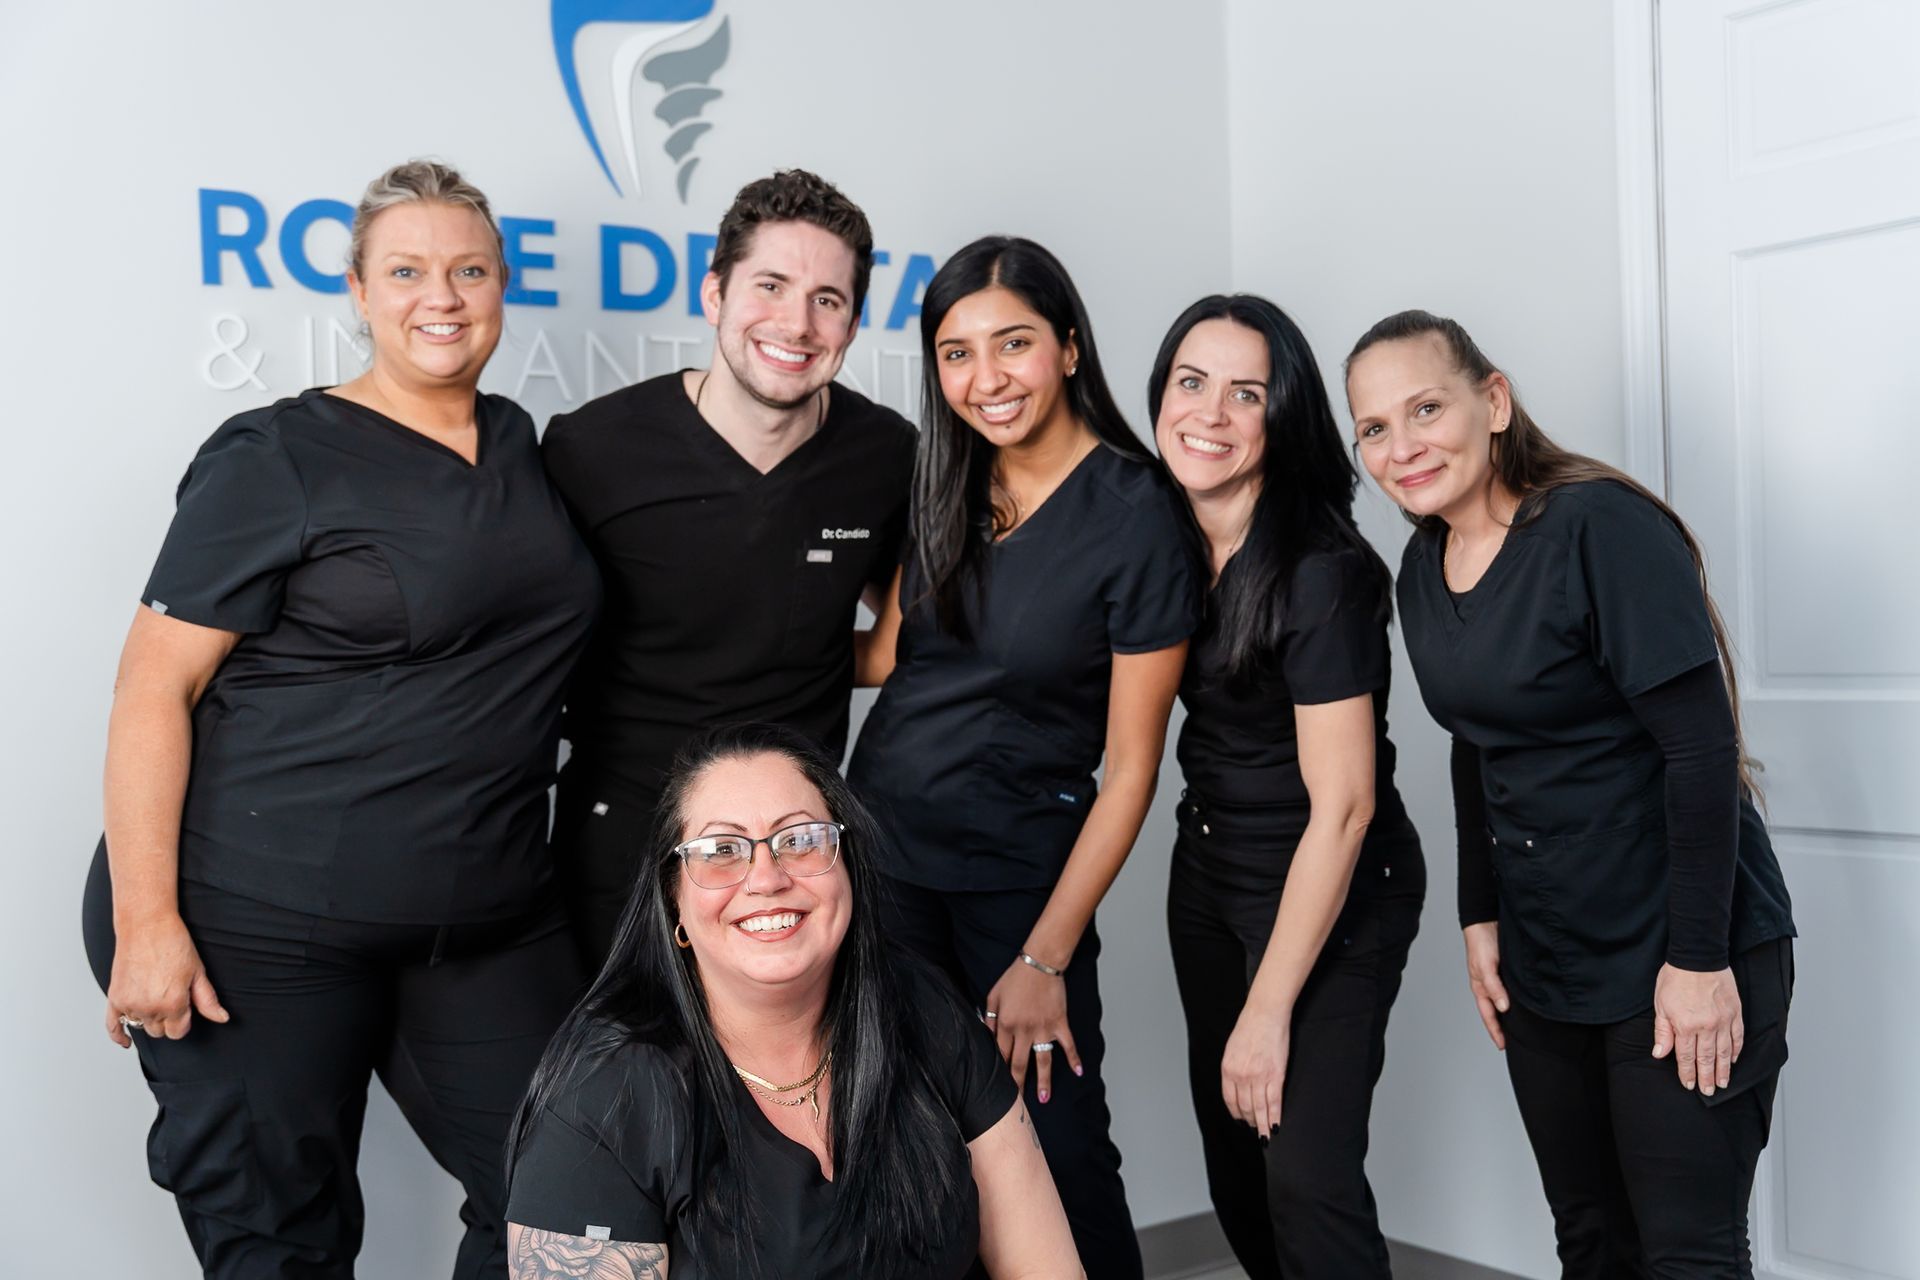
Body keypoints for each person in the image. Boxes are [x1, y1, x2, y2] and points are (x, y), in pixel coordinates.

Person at [82, 160, 601, 1279]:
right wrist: (146, 921)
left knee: (581, 1199)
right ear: (360, 293)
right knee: (282, 1242)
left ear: (504, 286)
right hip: (253, 917)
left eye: (470, 270)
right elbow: (150, 688)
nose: (442, 296)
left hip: (481, 918)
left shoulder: (520, 445)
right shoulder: (278, 456)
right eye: (407, 270)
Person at [1345, 309, 1797, 1277]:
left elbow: (1702, 750)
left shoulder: (1600, 527)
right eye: (1375, 428)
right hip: (1547, 951)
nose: (1403, 445)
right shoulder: (1423, 568)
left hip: (1680, 939)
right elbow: (1478, 741)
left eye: (1426, 407)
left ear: (1493, 399)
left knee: (1687, 1251)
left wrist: (1697, 959)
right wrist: (1478, 912)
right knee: (1592, 1239)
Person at [848, 236, 1199, 1279]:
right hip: (882, 856)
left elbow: (1134, 766)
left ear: (1071, 348)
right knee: (907, 1142)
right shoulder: (944, 475)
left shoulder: (1138, 512)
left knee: (1054, 1152)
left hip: (1015, 888)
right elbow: (887, 655)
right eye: (957, 354)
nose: (985, 378)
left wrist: (1046, 956)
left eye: (1014, 344)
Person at [504, 722, 1082, 1279]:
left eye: (801, 840)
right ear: (674, 902)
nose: (766, 877)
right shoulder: (600, 1097)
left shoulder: (922, 1007)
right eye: (722, 849)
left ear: (848, 866)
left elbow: (1044, 1268)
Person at [542, 169, 916, 964]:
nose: (797, 322)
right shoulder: (592, 450)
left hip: (793, 851)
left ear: (852, 324)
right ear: (714, 293)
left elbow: (891, 644)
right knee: (629, 1081)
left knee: (789, 1083)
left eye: (828, 299)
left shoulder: (887, 456)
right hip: (624, 838)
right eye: (770, 285)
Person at [1149, 295, 1426, 1278]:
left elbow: (1345, 806)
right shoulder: (1163, 539)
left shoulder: (1322, 571)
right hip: (1211, 880)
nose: (1210, 412)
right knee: (1239, 1171)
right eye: (1191, 382)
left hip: (1335, 884)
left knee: (1305, 1177)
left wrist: (1267, 1012)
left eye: (1245, 392)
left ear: (1285, 416)